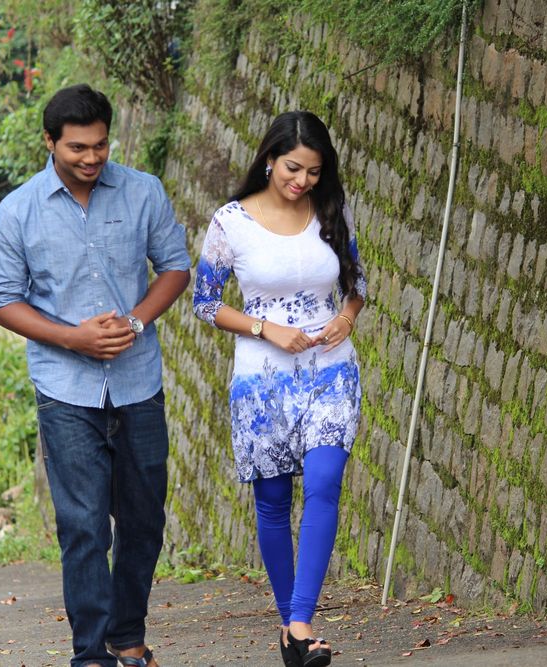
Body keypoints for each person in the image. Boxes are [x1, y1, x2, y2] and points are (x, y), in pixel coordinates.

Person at [0, 84, 190, 667]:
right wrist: (74, 337)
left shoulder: (143, 191)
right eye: (78, 148)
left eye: (100, 145)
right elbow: (4, 301)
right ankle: (91, 655)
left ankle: (128, 637)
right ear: (49, 142)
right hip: (64, 388)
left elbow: (175, 267)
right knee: (83, 527)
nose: (92, 157)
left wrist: (136, 321)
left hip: (138, 381)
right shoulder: (18, 210)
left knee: (144, 519)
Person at [192, 111, 365, 667]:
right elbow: (205, 302)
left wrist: (346, 318)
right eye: (293, 168)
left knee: (324, 482)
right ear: (270, 159)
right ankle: (293, 633)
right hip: (261, 380)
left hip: (330, 370)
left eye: (314, 171)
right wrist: (266, 328)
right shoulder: (231, 222)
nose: (302, 181)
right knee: (272, 502)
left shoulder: (331, 210)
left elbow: (357, 284)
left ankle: (301, 622)